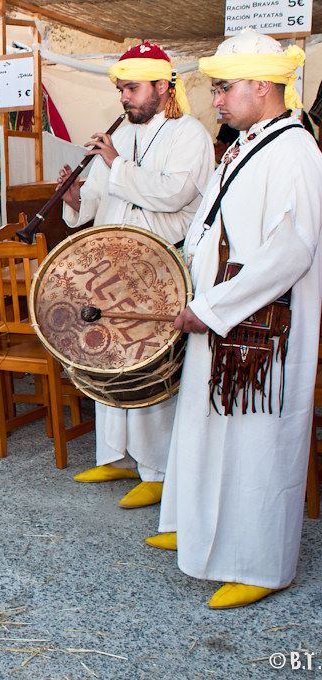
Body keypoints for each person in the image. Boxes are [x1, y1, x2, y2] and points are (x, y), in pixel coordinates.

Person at [149, 30, 322, 609]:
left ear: (259, 86)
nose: (216, 99)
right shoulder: (248, 141)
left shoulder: (295, 150)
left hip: (262, 330)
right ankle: (200, 532)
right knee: (205, 427)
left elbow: (290, 250)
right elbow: (211, 221)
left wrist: (211, 307)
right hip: (221, 313)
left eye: (224, 88)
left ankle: (262, 562)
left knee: (256, 442)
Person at [58, 42, 214, 509]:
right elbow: (103, 199)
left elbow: (173, 194)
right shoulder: (121, 137)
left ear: (163, 88)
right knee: (111, 361)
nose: (124, 98)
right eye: (122, 89)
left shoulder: (191, 135)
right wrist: (74, 199)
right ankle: (117, 456)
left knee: (149, 368)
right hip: (111, 271)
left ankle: (158, 469)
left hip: (158, 270)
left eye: (132, 88)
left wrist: (113, 163)